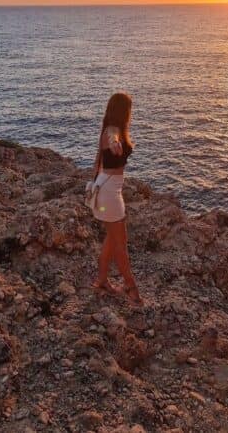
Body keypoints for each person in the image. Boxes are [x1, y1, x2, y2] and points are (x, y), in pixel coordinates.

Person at [91, 92, 143, 306]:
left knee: (112, 240)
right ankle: (131, 288)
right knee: (120, 243)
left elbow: (100, 160)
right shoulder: (112, 131)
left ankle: (102, 280)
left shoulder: (115, 129)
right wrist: (114, 142)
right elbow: (112, 139)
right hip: (109, 193)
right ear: (123, 111)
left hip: (111, 190)